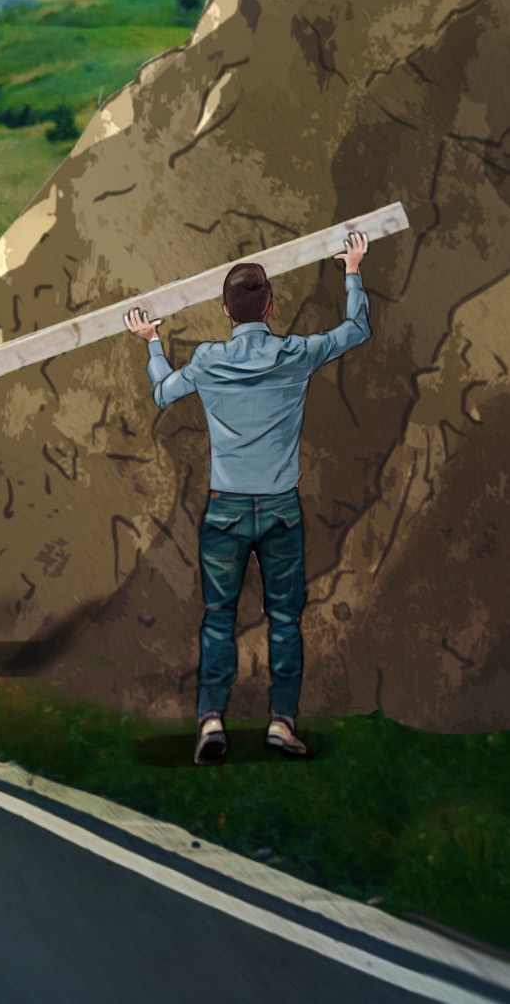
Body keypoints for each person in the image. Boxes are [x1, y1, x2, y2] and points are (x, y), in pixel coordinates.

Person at [127, 230, 370, 765]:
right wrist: (352, 267)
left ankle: (212, 717)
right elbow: (357, 329)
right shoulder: (296, 353)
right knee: (285, 619)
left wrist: (150, 340)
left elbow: (164, 392)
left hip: (226, 508)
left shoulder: (210, 360)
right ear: (272, 305)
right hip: (281, 508)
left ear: (224, 311)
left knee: (218, 618)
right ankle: (281, 723)